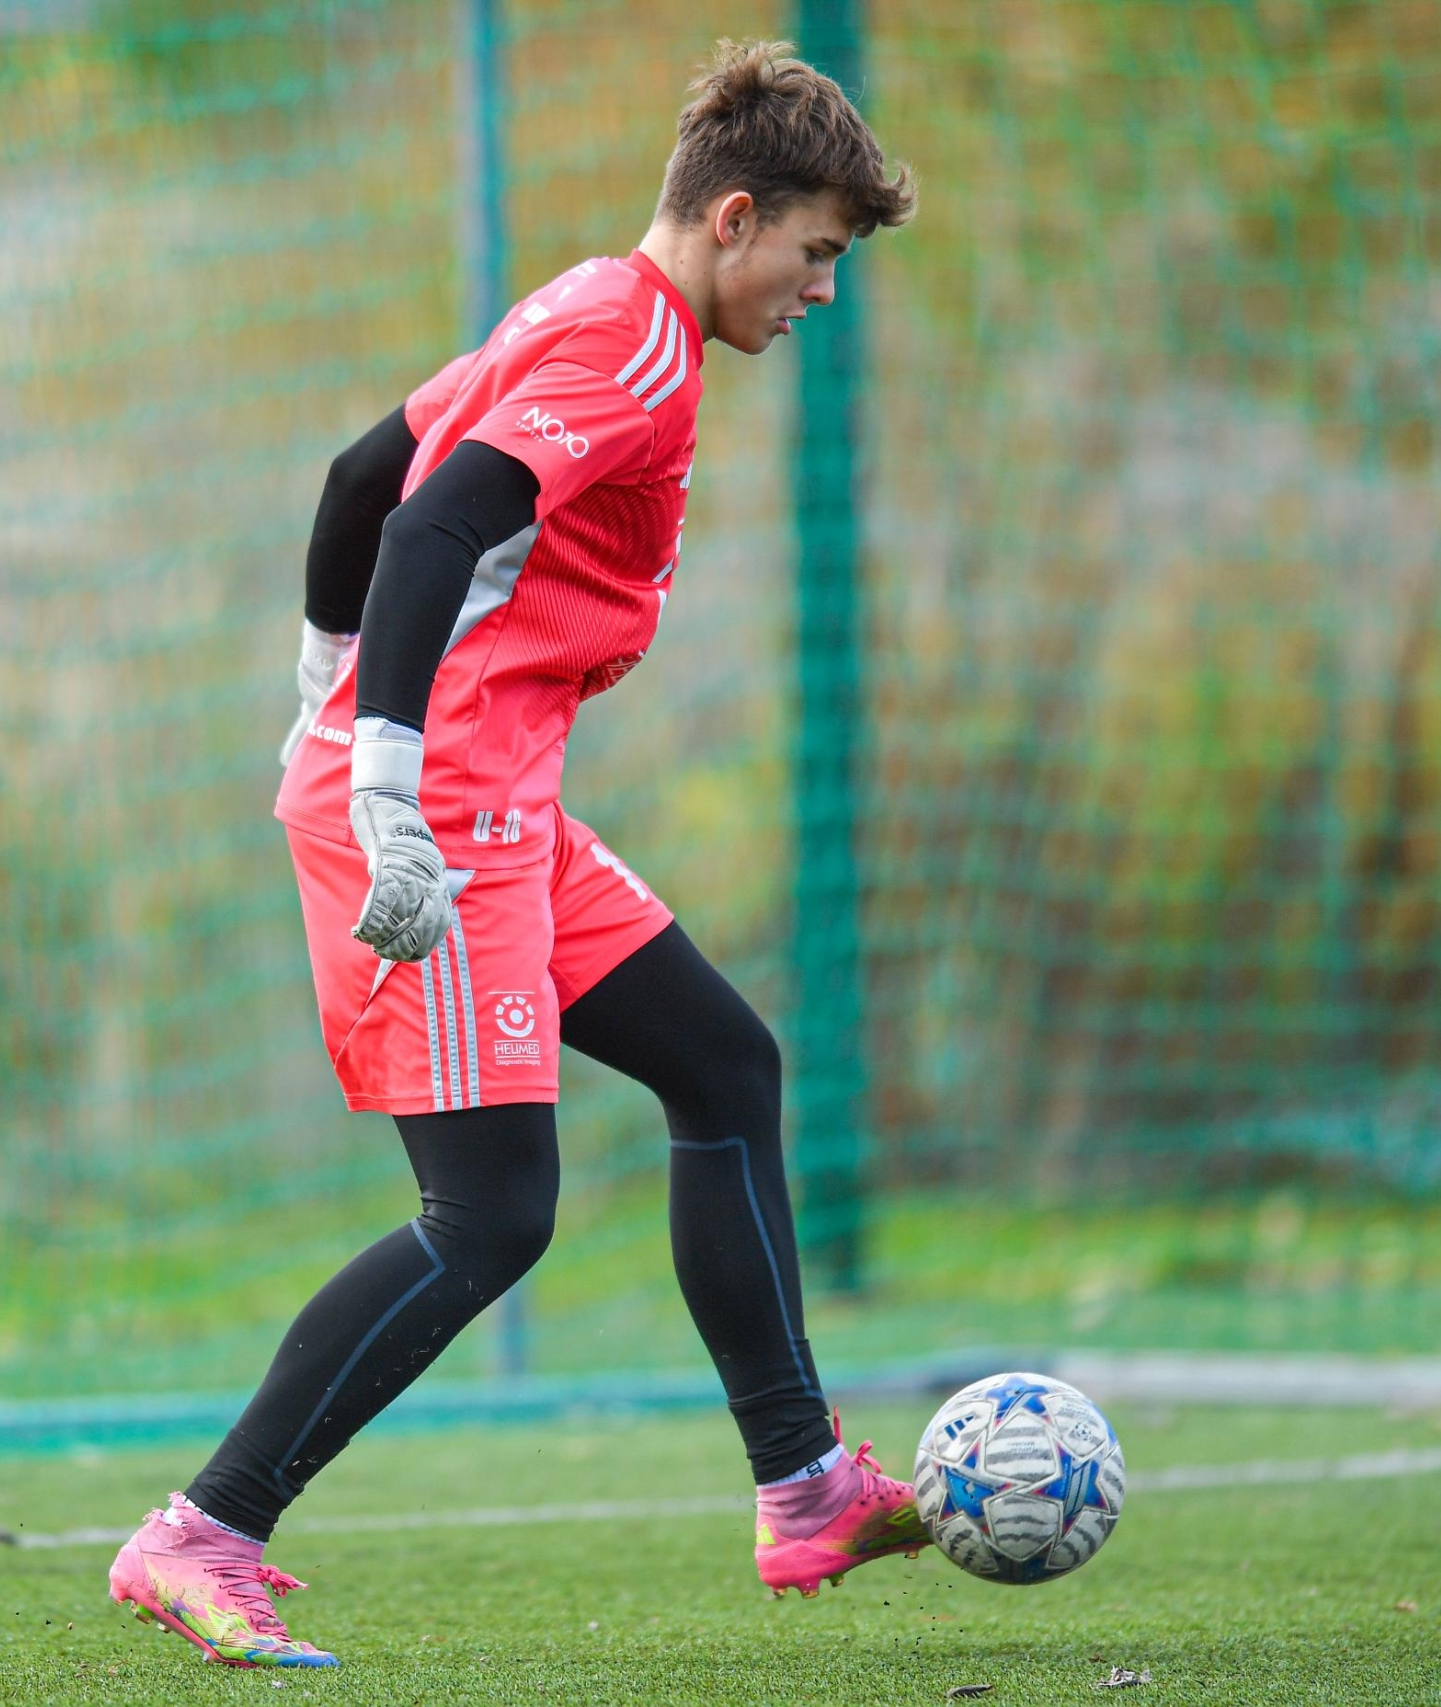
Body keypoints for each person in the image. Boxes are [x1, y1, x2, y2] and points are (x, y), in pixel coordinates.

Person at [108, 38, 919, 1669]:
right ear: (739, 217)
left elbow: (360, 474)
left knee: (723, 1064)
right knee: (489, 1215)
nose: (824, 291)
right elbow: (426, 522)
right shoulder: (631, 348)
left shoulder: (589, 305)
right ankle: (203, 1534)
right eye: (819, 251)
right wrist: (380, 774)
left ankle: (806, 1483)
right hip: (445, 806)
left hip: (494, 797)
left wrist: (322, 690)